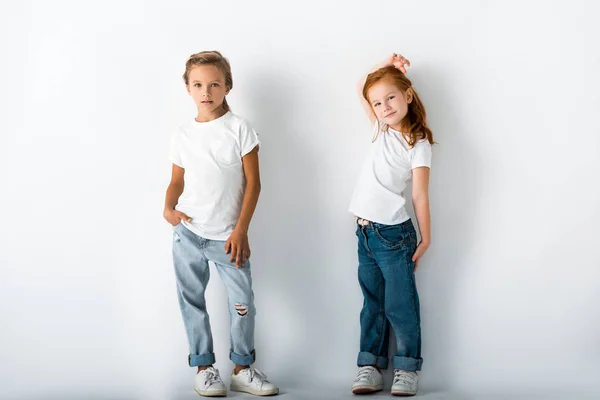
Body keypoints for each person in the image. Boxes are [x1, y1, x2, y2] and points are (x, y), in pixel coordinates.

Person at [164, 50, 278, 397]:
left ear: (228, 86)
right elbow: (176, 180)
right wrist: (168, 207)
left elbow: (253, 183)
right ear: (188, 88)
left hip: (228, 237)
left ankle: (242, 368)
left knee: (243, 303)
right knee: (192, 301)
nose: (206, 91)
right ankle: (204, 368)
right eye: (198, 84)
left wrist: (241, 229)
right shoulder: (182, 134)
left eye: (214, 84)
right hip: (188, 234)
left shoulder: (239, 129)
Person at [349, 53, 434, 396]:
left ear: (408, 95)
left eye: (391, 98)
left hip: (394, 236)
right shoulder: (379, 128)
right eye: (378, 102)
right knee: (373, 303)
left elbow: (420, 197)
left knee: (401, 305)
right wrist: (385, 65)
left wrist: (426, 239)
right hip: (365, 232)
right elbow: (362, 88)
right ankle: (370, 366)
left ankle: (407, 368)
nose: (384, 106)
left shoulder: (418, 143)